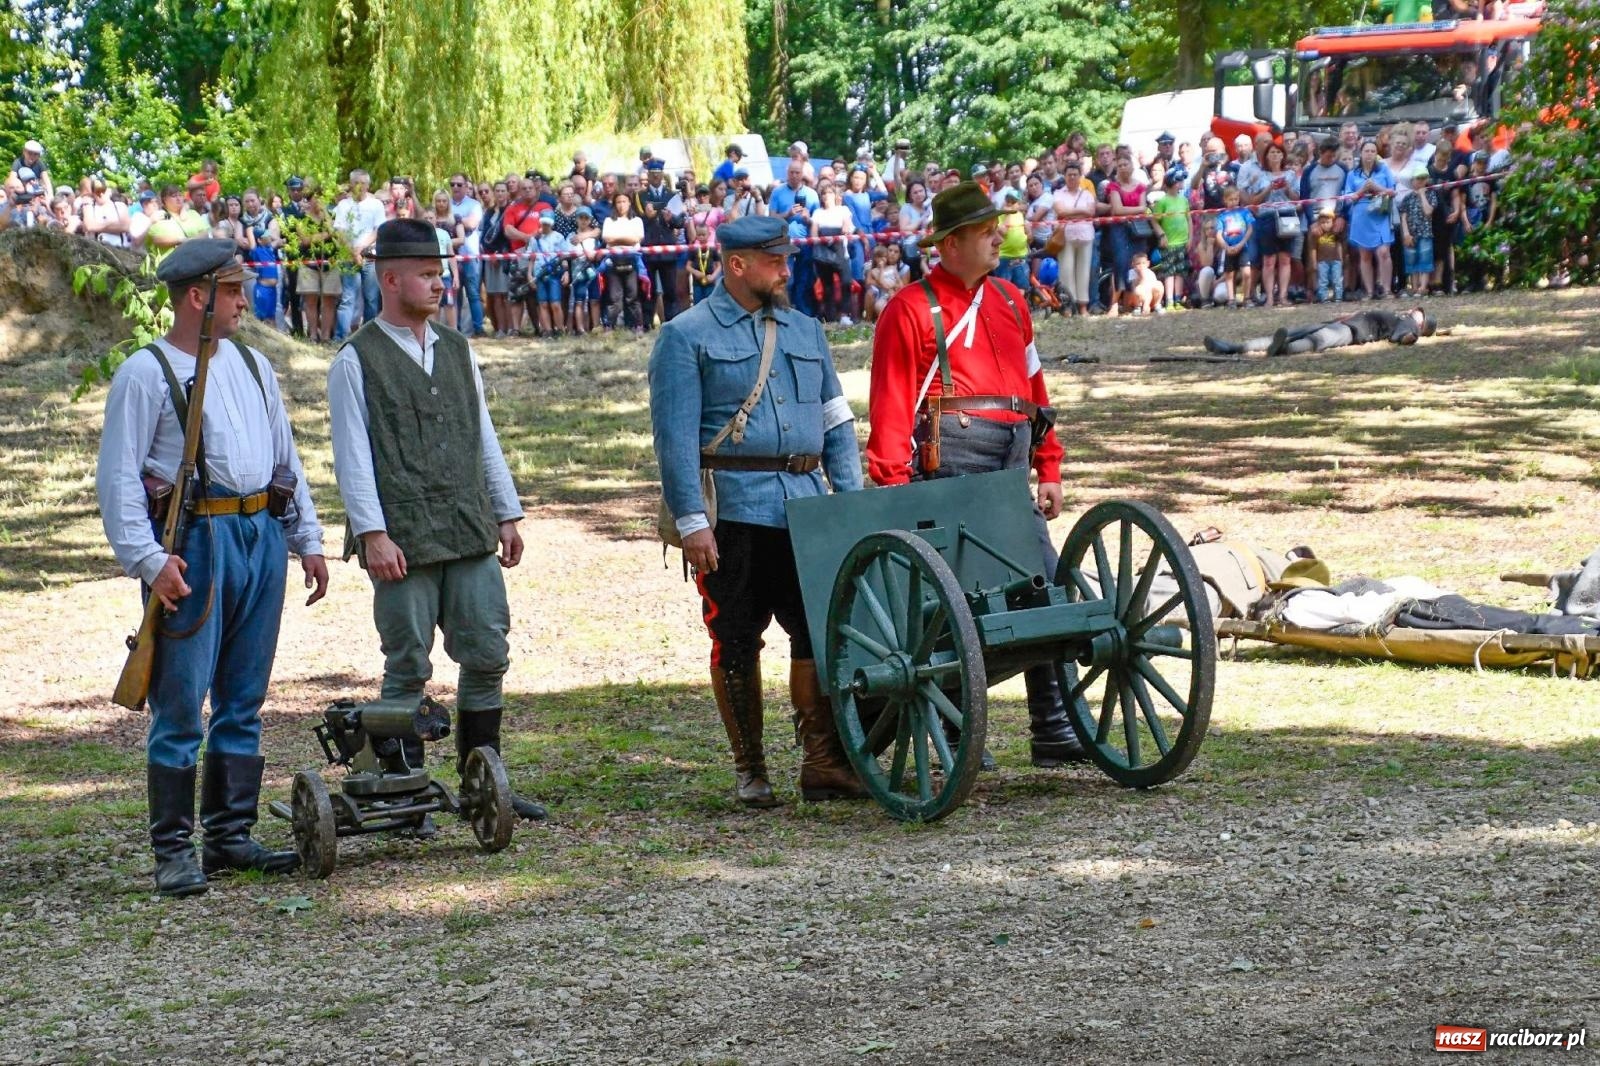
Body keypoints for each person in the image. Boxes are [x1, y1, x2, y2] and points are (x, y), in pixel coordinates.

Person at [96, 239, 328, 897]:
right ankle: (174, 851)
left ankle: (230, 836)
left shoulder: (254, 365)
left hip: (259, 536)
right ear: (197, 296)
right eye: (231, 291)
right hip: (192, 546)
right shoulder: (145, 373)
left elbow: (288, 459)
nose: (242, 302)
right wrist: (149, 560)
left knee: (244, 697)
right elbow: (117, 481)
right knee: (180, 705)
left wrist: (305, 538)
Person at [327, 218, 547, 824]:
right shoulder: (356, 360)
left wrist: (506, 511)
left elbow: (485, 438)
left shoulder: (457, 349)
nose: (439, 283)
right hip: (402, 537)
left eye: (440, 272)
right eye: (426, 275)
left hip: (466, 525)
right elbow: (352, 457)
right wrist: (372, 533)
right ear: (390, 279)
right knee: (408, 663)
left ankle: (486, 784)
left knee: (485, 652)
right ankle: (403, 794)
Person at [648, 215, 865, 808]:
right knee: (736, 638)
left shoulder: (805, 330)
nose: (786, 272)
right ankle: (751, 768)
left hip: (806, 508)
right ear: (737, 265)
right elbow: (674, 439)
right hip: (734, 511)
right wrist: (693, 523)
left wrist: (853, 502)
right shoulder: (686, 335)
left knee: (819, 633)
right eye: (775, 262)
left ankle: (822, 762)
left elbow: (835, 423)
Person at [866, 182, 1084, 770]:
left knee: (1044, 585)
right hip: (947, 473)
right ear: (953, 242)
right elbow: (890, 407)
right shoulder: (909, 310)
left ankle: (1054, 724)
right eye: (987, 230)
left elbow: (1034, 393)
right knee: (952, 607)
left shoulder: (1013, 301)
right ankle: (955, 728)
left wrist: (1050, 464)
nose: (998, 237)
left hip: (1010, 469)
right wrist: (890, 492)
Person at [1204, 305, 1436, 357]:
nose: (1414, 311)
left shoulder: (1409, 324)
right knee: (1296, 333)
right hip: (1343, 323)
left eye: (1419, 313)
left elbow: (1405, 338)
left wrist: (1411, 337)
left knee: (1315, 340)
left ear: (1421, 323)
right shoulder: (1402, 318)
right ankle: (1233, 347)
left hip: (1353, 332)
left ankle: (1283, 350)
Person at [332, 169, 386, 338]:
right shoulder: (343, 205)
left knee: (371, 298)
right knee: (348, 298)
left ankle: (368, 336)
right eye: (356, 183)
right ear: (351, 184)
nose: (360, 186)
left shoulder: (376, 204)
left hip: (370, 256)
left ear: (368, 185)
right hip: (348, 257)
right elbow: (340, 232)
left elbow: (379, 229)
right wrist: (353, 252)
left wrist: (361, 248)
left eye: (363, 183)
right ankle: (341, 336)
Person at [1343, 140, 1397, 300]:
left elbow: (1392, 191)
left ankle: (1387, 289)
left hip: (1381, 213)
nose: (1369, 154)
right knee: (1365, 255)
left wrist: (1376, 188)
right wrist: (1362, 190)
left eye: (1373, 151)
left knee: (1383, 252)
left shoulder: (1384, 170)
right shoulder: (1352, 174)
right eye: (1366, 151)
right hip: (1361, 215)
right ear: (1361, 153)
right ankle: (1369, 291)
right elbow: (1348, 198)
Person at [1052, 160, 1097, 316]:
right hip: (1065, 237)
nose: (1072, 177)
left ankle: (1083, 306)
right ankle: (1068, 306)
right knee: (1066, 272)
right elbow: (1061, 211)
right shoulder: (1058, 193)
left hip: (1085, 236)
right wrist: (1081, 211)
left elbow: (1091, 212)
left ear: (1080, 176)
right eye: (1069, 174)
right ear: (1064, 176)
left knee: (1084, 272)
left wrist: (1072, 212)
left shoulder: (1087, 194)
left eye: (1075, 174)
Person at [809, 183, 855, 325]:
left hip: (840, 250)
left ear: (835, 195)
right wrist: (822, 238)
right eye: (823, 193)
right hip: (823, 252)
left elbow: (847, 226)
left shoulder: (843, 210)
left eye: (829, 193)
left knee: (846, 282)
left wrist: (843, 231)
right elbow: (814, 233)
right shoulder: (817, 213)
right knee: (827, 286)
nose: (826, 196)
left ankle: (845, 314)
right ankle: (830, 317)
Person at [446, 173, 485, 337]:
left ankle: (479, 328)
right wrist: (460, 221)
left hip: (469, 255)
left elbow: (472, 223)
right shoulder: (445, 203)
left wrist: (452, 220)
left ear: (465, 186)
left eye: (459, 184)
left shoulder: (474, 204)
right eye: (452, 184)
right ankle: (457, 330)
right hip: (450, 256)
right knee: (454, 295)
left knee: (473, 294)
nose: (455, 187)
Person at [601, 192, 645, 332]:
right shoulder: (609, 220)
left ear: (629, 202)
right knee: (615, 297)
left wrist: (617, 239)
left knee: (632, 296)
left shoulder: (636, 220)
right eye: (618, 202)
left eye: (624, 201)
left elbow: (637, 239)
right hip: (613, 261)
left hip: (632, 260)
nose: (621, 205)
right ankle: (609, 326)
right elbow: (607, 238)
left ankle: (637, 325)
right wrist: (627, 239)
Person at [1215, 185, 1254, 309]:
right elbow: (1218, 235)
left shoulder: (1244, 212)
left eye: (1236, 199)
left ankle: (1247, 298)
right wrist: (1226, 247)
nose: (1234, 202)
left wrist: (1242, 243)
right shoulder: (1222, 217)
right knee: (1229, 274)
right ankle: (1231, 300)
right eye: (1231, 199)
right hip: (1229, 249)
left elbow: (1250, 229)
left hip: (1243, 247)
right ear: (1225, 200)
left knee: (1246, 273)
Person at [1308, 203, 1346, 303]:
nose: (1325, 224)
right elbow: (1313, 248)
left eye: (1328, 222)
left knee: (1337, 279)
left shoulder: (1336, 234)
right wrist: (1313, 262)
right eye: (1322, 222)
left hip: (1336, 260)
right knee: (1323, 280)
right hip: (1322, 261)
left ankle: (1338, 296)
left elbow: (1340, 246)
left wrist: (1342, 259)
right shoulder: (1316, 235)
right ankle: (1323, 297)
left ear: (1333, 222)